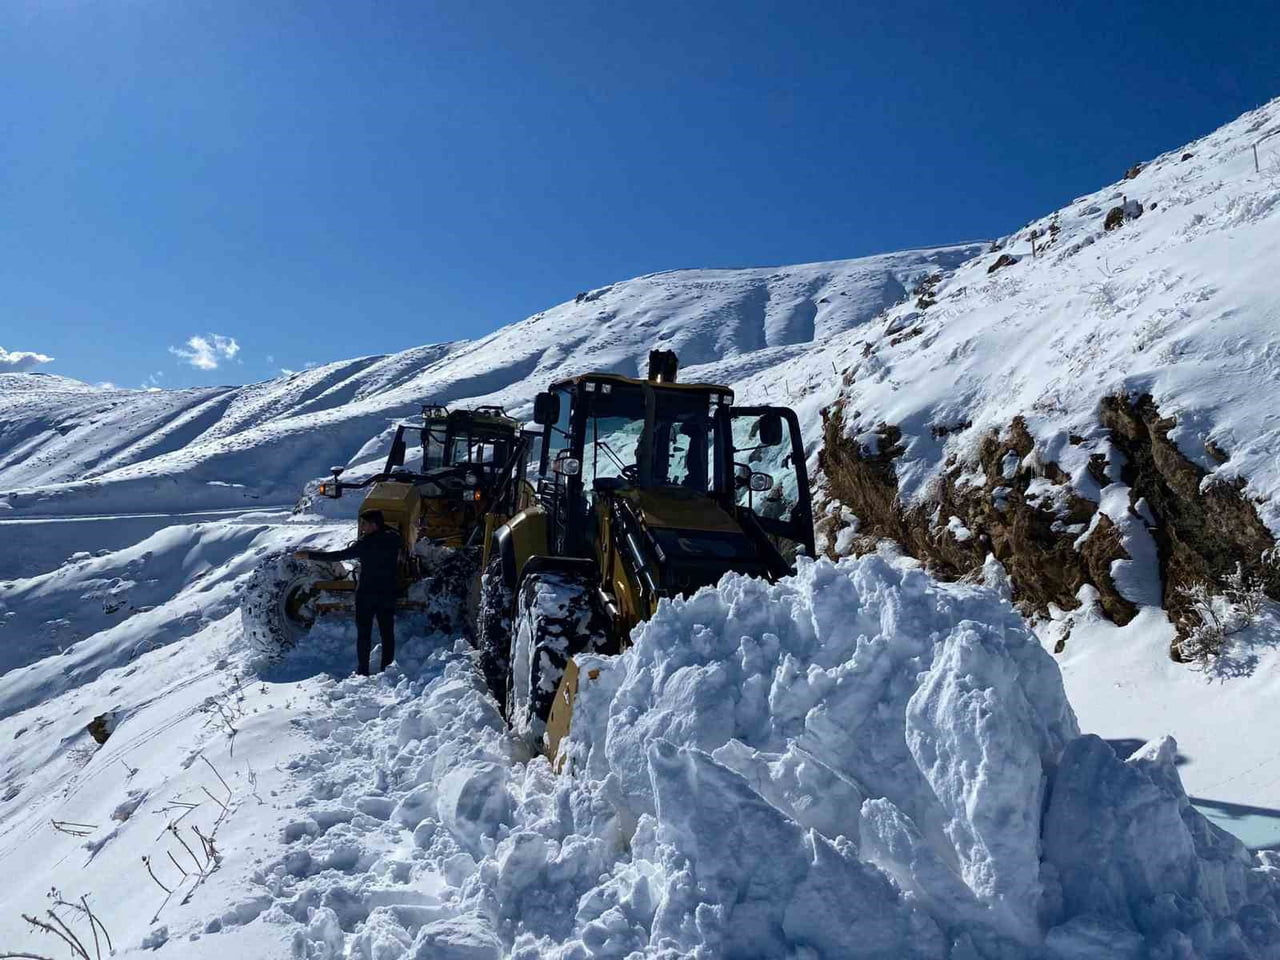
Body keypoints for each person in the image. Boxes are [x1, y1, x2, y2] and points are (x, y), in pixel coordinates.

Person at [297, 510, 402, 676]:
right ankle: (386, 668)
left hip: (366, 594)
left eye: (366, 524)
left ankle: (363, 670)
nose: (362, 528)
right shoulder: (394, 540)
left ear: (374, 525)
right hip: (387, 593)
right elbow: (393, 534)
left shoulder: (365, 544)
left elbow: (338, 556)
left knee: (364, 634)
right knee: (387, 633)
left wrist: (309, 555)